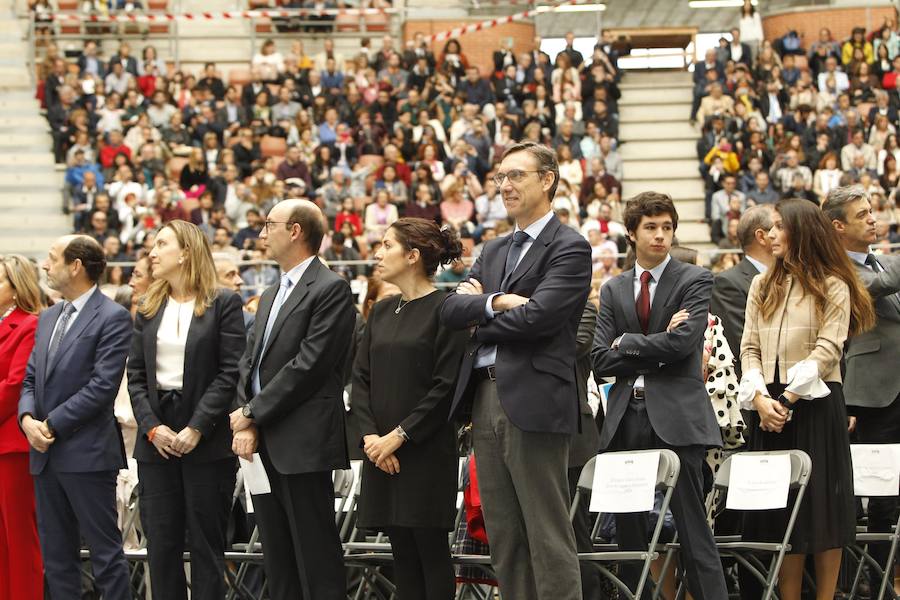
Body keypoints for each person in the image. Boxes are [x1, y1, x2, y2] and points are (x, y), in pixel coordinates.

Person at [440, 142, 591, 600]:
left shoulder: (570, 247)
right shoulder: (493, 249)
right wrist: (498, 302)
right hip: (484, 399)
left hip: (535, 398)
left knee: (546, 531)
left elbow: (541, 319)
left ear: (547, 180)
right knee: (504, 533)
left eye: (516, 176)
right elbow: (451, 310)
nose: (504, 185)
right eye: (500, 177)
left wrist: (479, 317)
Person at [591, 192, 728, 600]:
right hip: (623, 417)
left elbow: (684, 346)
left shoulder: (694, 278)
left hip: (677, 417)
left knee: (693, 531)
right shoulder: (613, 288)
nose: (661, 236)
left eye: (667, 227)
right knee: (629, 536)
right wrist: (657, 339)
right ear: (631, 233)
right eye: (650, 227)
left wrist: (627, 343)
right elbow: (599, 359)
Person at [739, 198, 875, 600]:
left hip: (816, 405)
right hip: (770, 409)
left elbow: (828, 348)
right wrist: (762, 399)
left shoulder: (834, 283)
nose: (772, 234)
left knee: (823, 510)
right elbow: (748, 347)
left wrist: (789, 398)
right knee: (782, 515)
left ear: (802, 230)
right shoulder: (761, 284)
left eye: (780, 226)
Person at [229, 199, 356, 600]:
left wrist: (251, 413)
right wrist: (248, 417)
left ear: (296, 231)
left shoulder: (330, 288)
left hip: (302, 441)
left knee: (315, 555)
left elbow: (309, 366)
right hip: (263, 441)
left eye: (270, 224)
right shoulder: (269, 293)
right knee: (277, 557)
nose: (261, 234)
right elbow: (249, 361)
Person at [127, 221, 245, 600]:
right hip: (155, 439)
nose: (153, 252)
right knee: (160, 547)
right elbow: (136, 376)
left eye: (162, 244)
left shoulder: (223, 302)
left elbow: (230, 372)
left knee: (206, 547)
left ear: (186, 252)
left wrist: (197, 427)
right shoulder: (147, 307)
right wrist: (151, 427)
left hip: (206, 439)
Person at [352, 218, 468, 599]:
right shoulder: (383, 311)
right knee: (400, 551)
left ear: (413, 256)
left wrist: (399, 437)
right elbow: (361, 378)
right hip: (380, 451)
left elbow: (445, 387)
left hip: (423, 451)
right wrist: (372, 438)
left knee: (430, 551)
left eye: (387, 245)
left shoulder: (447, 309)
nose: (378, 253)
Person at [18, 235, 132, 600]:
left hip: (87, 454)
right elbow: (31, 378)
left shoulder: (112, 317)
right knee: (57, 558)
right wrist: (26, 420)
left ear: (76, 265)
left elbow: (102, 387)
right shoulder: (49, 316)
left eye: (52, 258)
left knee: (106, 554)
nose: (45, 266)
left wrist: (49, 424)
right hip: (45, 455)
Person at [823, 185, 900, 589]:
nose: (873, 218)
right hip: (872, 396)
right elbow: (879, 288)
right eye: (863, 214)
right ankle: (877, 583)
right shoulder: (835, 271)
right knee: (881, 496)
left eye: (873, 211)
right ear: (837, 226)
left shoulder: (884, 262)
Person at [0, 255, 45, 600]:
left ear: (17, 289)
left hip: (11, 445)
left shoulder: (29, 324)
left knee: (19, 537)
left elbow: (15, 386)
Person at [709, 205, 776, 376]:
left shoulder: (791, 277)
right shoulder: (728, 282)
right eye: (779, 226)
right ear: (761, 236)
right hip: (758, 384)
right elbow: (743, 344)